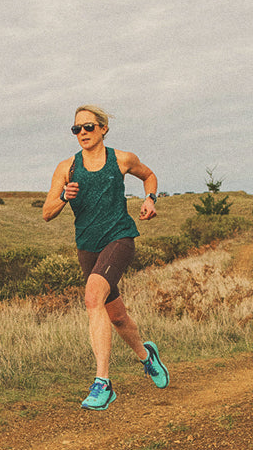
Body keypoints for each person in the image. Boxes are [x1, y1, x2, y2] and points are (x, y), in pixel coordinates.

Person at [43, 105, 169, 410]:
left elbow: (149, 175)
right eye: (77, 129)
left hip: (119, 237)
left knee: (91, 298)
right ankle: (146, 355)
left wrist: (150, 199)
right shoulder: (66, 168)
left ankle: (103, 383)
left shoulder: (122, 159)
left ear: (103, 129)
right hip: (88, 246)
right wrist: (64, 197)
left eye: (88, 127)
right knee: (116, 315)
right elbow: (47, 213)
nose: (82, 134)